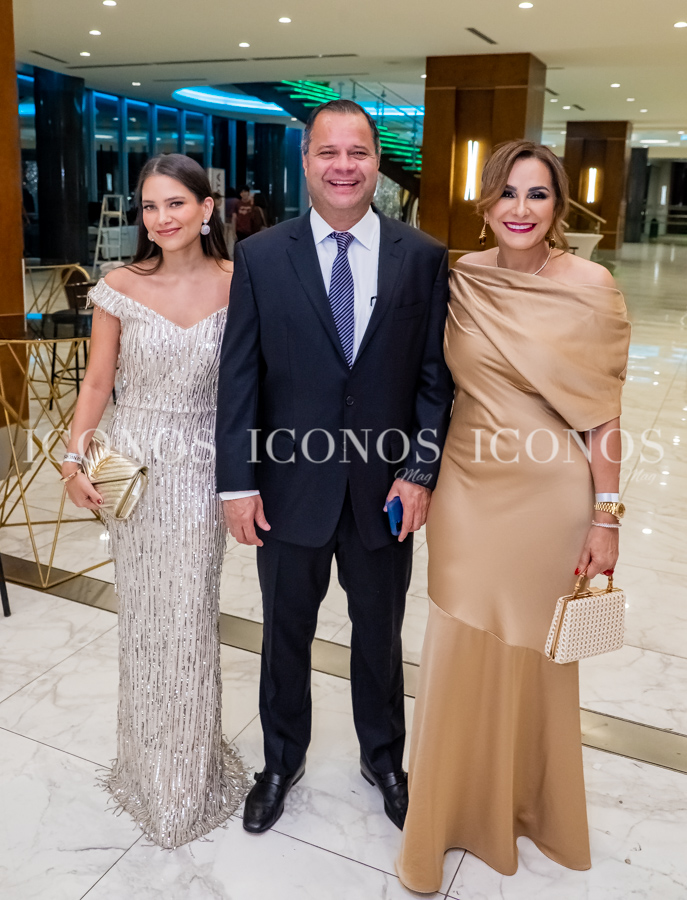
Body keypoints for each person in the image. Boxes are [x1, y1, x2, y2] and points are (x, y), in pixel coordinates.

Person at [397, 141, 631, 890]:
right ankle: (448, 812)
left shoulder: (590, 286)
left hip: (549, 494)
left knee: (534, 653)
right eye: (506, 193)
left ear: (557, 206)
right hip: (466, 487)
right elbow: (430, 381)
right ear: (485, 202)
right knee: (457, 638)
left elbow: (604, 414)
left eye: (536, 194)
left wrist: (606, 517)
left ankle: (528, 805)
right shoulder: (462, 276)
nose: (519, 209)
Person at [216, 99, 454, 835]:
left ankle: (384, 759)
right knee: (284, 633)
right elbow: (240, 377)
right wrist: (237, 481)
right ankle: (280, 760)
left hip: (385, 489)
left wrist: (419, 472)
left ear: (377, 162)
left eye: (357, 152)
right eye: (328, 152)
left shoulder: (422, 256)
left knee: (379, 634)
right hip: (289, 487)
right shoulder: (261, 256)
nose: (343, 166)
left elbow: (434, 381)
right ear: (306, 161)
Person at [61, 153, 249, 849]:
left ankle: (190, 775)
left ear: (206, 208)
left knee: (190, 615)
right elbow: (96, 383)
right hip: (130, 464)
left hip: (202, 466)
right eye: (149, 206)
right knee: (143, 616)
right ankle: (146, 768)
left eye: (176, 203)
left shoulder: (241, 283)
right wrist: (74, 456)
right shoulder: (119, 286)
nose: (161, 218)